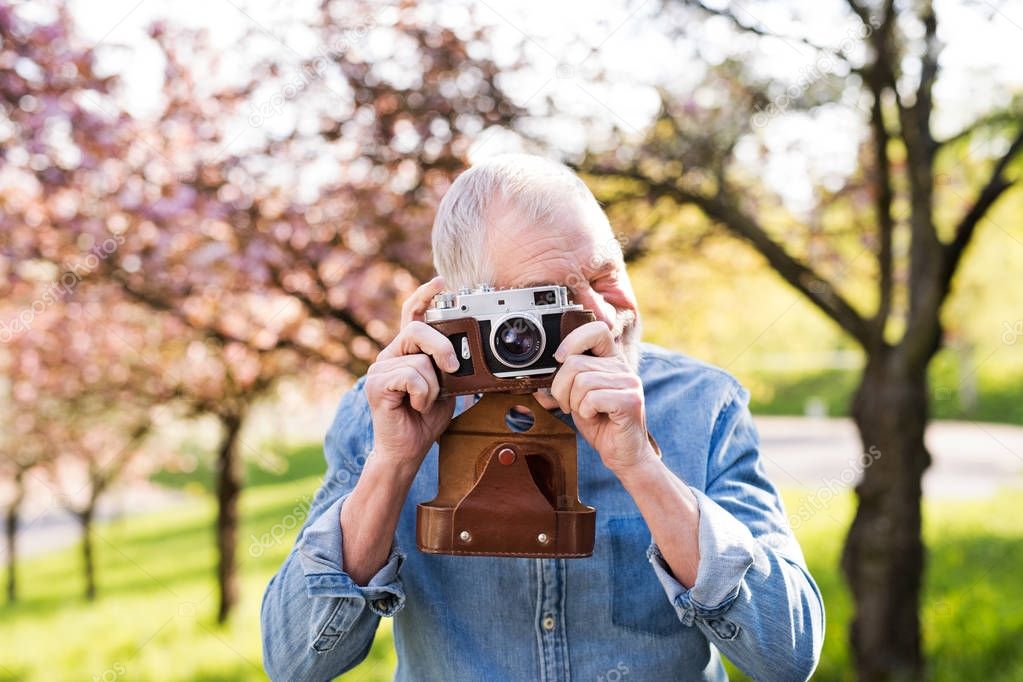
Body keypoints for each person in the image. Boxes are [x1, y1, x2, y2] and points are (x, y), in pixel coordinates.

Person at [261, 154, 824, 681]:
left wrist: (643, 469)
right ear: (469, 311)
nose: (602, 316)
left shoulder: (703, 405)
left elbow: (787, 652)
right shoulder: (388, 414)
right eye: (549, 298)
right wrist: (392, 463)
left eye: (605, 276)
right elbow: (294, 662)